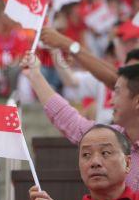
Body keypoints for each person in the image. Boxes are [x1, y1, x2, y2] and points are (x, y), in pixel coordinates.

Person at [20, 53, 139, 190]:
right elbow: (68, 119)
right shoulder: (111, 135)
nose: (111, 101)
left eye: (117, 92)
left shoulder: (110, 136)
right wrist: (35, 76)